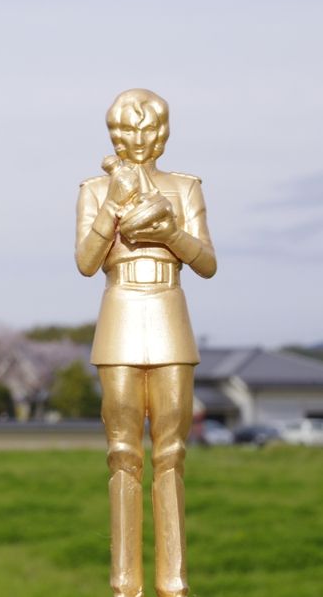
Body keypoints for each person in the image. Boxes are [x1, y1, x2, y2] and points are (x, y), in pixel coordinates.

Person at [75, 88, 216, 597]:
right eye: (126, 129)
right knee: (122, 452)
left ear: (162, 132)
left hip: (169, 310)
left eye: (147, 128)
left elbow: (207, 263)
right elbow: (86, 262)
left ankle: (174, 582)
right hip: (120, 312)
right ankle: (124, 584)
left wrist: (171, 232)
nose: (137, 139)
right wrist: (113, 206)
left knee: (172, 452)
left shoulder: (185, 187)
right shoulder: (96, 188)